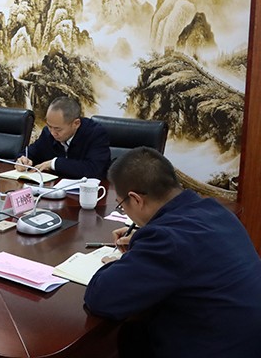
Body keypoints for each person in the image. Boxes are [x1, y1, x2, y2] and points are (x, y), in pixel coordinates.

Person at [84, 147, 261, 357]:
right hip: (246, 340)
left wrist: (130, 256)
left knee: (127, 337)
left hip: (215, 348)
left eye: (122, 206)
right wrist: (144, 242)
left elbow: (101, 298)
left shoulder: (167, 240)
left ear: (137, 199)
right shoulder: (216, 211)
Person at [15, 96, 110, 179]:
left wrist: (54, 164)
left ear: (76, 123)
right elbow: (30, 152)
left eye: (58, 129)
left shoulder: (95, 134)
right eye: (49, 126)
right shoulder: (48, 133)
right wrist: (22, 160)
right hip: (53, 187)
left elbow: (94, 170)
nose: (53, 133)